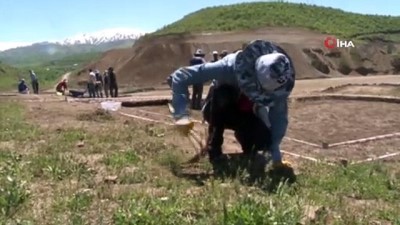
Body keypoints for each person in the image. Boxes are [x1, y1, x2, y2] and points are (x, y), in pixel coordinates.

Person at [168, 40, 295, 175]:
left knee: (265, 140)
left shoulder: (280, 83)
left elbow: (279, 118)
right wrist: (181, 115)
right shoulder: (227, 67)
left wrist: (275, 156)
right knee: (223, 94)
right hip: (219, 110)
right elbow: (180, 76)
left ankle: (249, 151)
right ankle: (214, 147)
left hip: (247, 114)